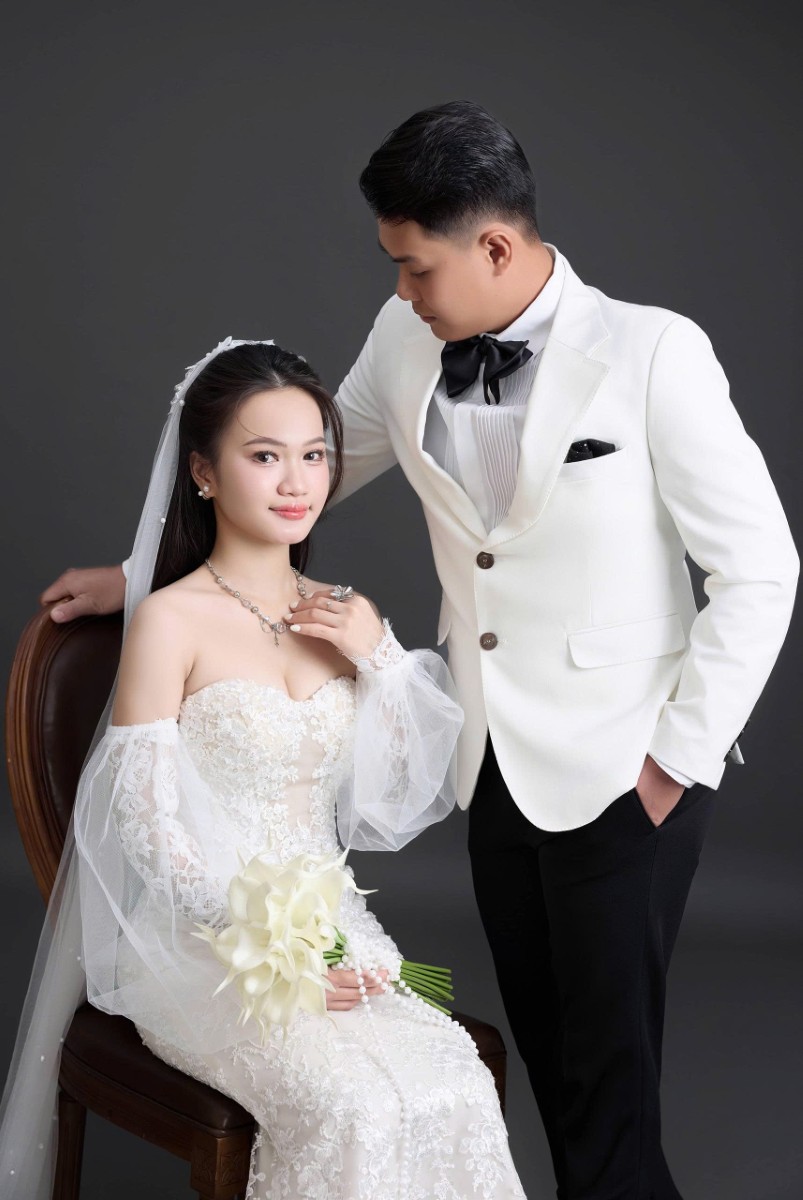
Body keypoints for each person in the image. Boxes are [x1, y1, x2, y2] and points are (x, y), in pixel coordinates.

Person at [39, 101, 799, 1199]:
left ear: (492, 247)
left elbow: (761, 569)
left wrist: (673, 762)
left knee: (611, 1078)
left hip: (624, 766)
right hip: (488, 759)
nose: (400, 291)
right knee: (549, 1055)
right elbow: (308, 463)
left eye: (414, 266)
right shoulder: (407, 339)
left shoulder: (651, 352)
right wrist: (139, 574)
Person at [0, 338, 527, 1200]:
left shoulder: (343, 614)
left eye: (314, 456)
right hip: (201, 946)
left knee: (454, 1080)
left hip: (332, 927)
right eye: (265, 456)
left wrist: (381, 657)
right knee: (352, 1106)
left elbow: (401, 794)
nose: (296, 483)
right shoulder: (170, 620)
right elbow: (146, 827)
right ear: (203, 474)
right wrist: (273, 952)